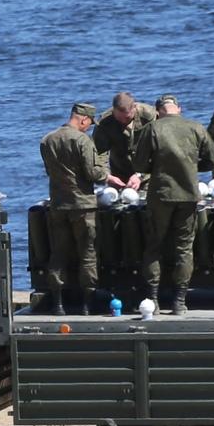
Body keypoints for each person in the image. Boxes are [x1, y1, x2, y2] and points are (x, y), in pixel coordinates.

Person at [140, 93, 214, 313]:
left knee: (154, 246)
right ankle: (179, 302)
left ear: (158, 111)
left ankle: (152, 301)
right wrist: (193, 166)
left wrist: (155, 167)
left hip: (161, 195)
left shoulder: (152, 129)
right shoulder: (196, 127)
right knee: (184, 248)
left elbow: (138, 162)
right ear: (179, 108)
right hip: (188, 195)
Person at [36, 101, 108, 314]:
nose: (89, 127)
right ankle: (87, 304)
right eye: (89, 123)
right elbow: (92, 173)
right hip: (83, 206)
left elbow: (50, 171)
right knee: (87, 253)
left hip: (58, 204)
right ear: (83, 119)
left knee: (58, 253)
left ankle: (58, 304)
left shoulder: (47, 140)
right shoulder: (82, 141)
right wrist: (107, 175)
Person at [90, 91, 156, 189]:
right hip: (119, 173)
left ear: (134, 107)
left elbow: (157, 148)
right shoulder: (104, 123)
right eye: (119, 118)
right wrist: (106, 176)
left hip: (148, 172)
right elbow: (98, 153)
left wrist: (139, 175)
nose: (123, 121)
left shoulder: (149, 116)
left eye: (127, 117)